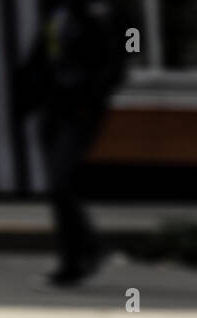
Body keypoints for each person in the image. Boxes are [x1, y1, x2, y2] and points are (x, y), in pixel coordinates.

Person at [15, 0, 128, 287]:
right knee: (58, 187)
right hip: (52, 108)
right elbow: (41, 57)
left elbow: (113, 64)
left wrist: (89, 98)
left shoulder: (99, 13)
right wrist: (27, 97)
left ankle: (87, 250)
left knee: (59, 181)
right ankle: (73, 259)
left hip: (78, 111)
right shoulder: (57, 11)